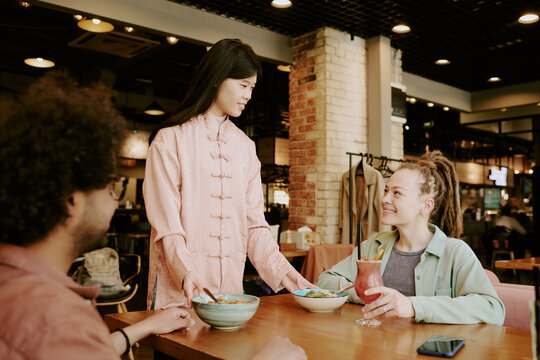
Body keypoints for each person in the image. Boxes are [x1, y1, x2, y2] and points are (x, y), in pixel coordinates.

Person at [0, 73, 306, 360]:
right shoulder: (59, 319)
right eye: (111, 185)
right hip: (181, 301)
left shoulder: (23, 294)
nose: (117, 197)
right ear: (72, 201)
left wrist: (139, 328)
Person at [143, 38, 314, 309]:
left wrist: (290, 277)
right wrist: (186, 273)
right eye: (243, 85)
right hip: (179, 295)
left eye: (252, 87)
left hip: (230, 299)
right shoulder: (169, 140)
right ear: (217, 78)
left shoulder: (245, 148)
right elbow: (168, 228)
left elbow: (255, 226)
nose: (248, 95)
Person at [318, 151, 505, 324]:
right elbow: (326, 280)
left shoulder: (454, 252)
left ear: (426, 206)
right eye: (386, 191)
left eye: (397, 193)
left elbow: (492, 308)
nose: (384, 199)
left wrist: (414, 306)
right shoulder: (374, 245)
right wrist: (371, 295)